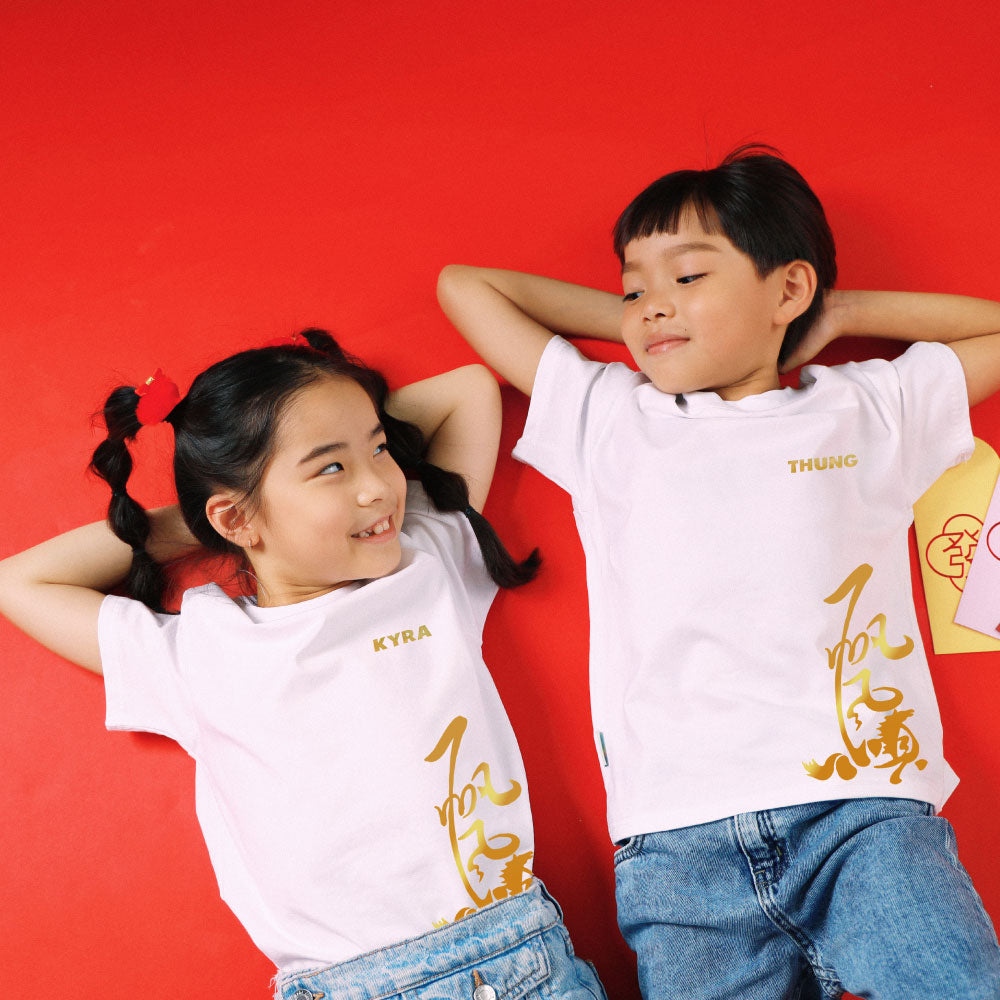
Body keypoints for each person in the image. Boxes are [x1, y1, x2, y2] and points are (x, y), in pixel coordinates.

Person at [436, 147, 1000, 1000]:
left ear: (789, 288)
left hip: (861, 817)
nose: (651, 304)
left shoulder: (869, 407)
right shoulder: (610, 416)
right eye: (633, 289)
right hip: (676, 850)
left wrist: (839, 311)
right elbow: (464, 286)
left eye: (690, 275)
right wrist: (655, 318)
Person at [0, 329, 607, 1000]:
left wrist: (309, 461)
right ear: (234, 519)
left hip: (521, 959)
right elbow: (20, 582)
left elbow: (467, 391)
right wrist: (212, 520)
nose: (378, 488)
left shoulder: (425, 568)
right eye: (331, 469)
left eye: (379, 449)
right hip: (351, 985)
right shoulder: (203, 651)